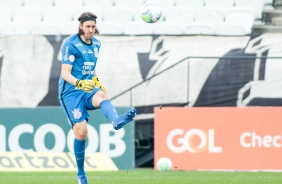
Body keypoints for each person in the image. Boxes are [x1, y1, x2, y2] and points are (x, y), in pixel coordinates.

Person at [58, 12, 136, 184]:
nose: (91, 30)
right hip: (70, 93)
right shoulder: (70, 44)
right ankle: (81, 174)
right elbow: (65, 73)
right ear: (80, 26)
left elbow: (90, 69)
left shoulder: (96, 44)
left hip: (86, 88)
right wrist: (79, 83)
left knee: (102, 95)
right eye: (88, 26)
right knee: (82, 132)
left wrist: (97, 82)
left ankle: (116, 120)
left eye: (93, 26)